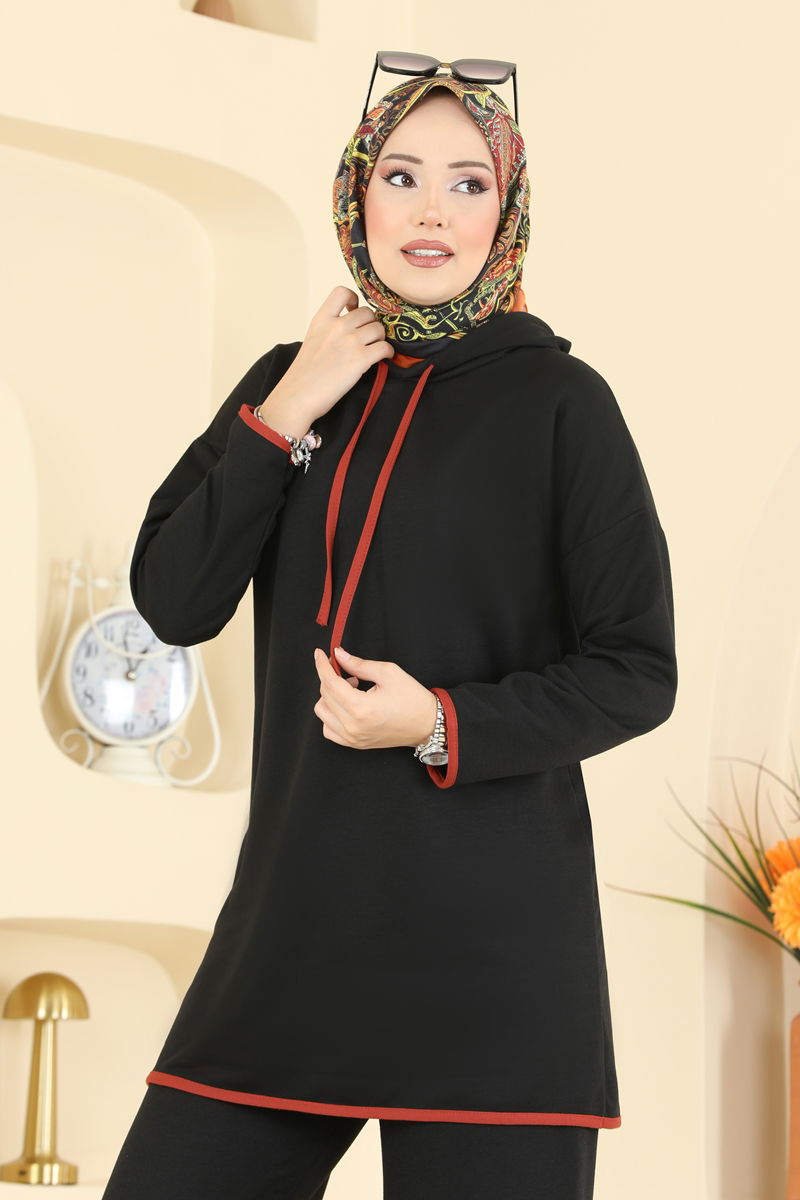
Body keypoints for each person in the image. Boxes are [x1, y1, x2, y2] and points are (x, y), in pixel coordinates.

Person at [102, 60, 678, 1200]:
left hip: (493, 966)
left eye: (468, 183)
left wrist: (440, 722)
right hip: (290, 938)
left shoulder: (563, 405)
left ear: (505, 210)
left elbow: (635, 669)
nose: (430, 212)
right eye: (401, 176)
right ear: (356, 193)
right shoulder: (292, 381)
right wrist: (288, 407)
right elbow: (173, 600)